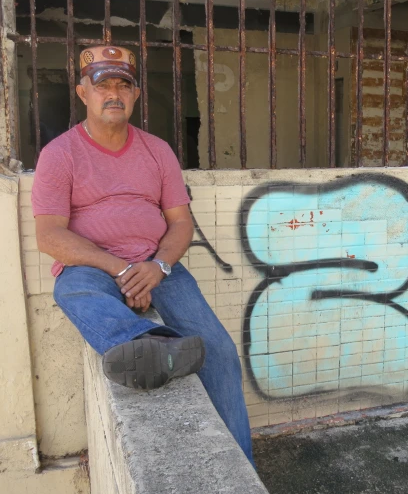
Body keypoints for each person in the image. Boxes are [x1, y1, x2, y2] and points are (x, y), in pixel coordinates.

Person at [31, 46, 257, 469]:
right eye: (103, 85)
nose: (113, 93)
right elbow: (49, 235)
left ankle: (242, 472)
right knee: (73, 290)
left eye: (123, 85)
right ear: (83, 92)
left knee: (221, 353)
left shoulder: (157, 151)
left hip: (158, 267)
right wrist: (119, 269)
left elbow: (181, 223)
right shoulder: (59, 154)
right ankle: (144, 342)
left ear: (135, 95)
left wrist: (157, 266)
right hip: (95, 267)